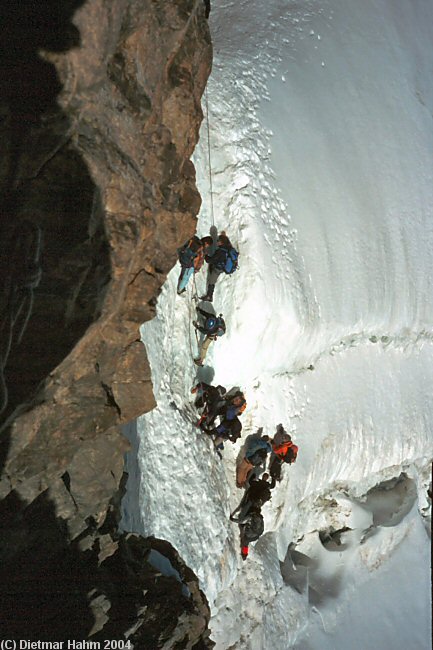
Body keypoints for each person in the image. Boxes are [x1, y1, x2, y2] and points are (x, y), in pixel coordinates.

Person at [200, 231, 238, 302]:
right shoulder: (228, 248)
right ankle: (209, 296)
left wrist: (205, 256)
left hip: (218, 268)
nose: (217, 242)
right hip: (223, 266)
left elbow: (210, 260)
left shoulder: (220, 251)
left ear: (221, 242)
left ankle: (209, 296)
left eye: (218, 241)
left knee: (211, 281)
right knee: (212, 278)